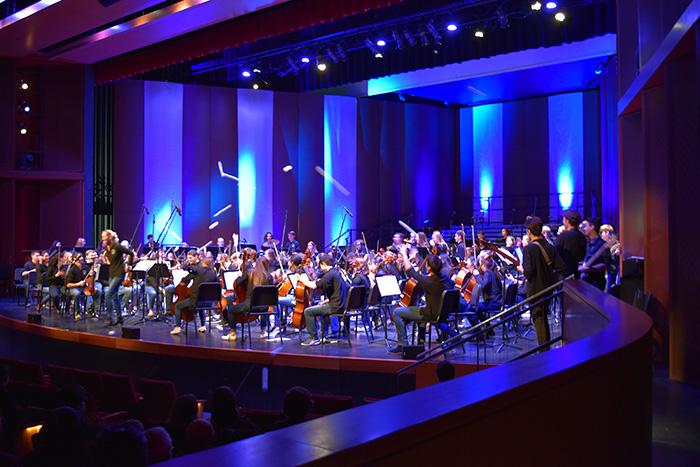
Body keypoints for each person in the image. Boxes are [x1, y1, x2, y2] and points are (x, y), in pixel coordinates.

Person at [388, 246, 452, 354]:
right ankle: (420, 343)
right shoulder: (443, 279)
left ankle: (402, 344)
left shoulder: (429, 282)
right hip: (442, 313)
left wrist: (404, 253)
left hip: (431, 314)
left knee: (397, 312)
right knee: (419, 310)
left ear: (429, 268)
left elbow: (410, 271)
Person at [519, 216, 565, 347]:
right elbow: (561, 267)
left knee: (539, 321)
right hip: (548, 289)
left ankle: (544, 352)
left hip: (535, 291)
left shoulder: (528, 249)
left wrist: (521, 268)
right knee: (543, 320)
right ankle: (546, 349)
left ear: (529, 231)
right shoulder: (550, 246)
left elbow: (528, 273)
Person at [298, 254, 348, 346]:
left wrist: (302, 280)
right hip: (340, 304)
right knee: (320, 307)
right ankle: (323, 335)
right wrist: (328, 300)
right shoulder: (336, 273)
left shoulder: (329, 275)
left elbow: (313, 285)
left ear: (324, 264)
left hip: (335, 307)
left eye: (320, 265)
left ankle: (314, 338)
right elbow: (339, 291)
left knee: (308, 311)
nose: (320, 268)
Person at [171, 255, 218, 335]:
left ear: (203, 264)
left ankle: (177, 327)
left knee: (177, 306)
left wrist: (183, 281)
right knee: (201, 302)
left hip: (195, 301)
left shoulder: (198, 271)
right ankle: (203, 325)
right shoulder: (214, 273)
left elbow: (185, 279)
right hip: (209, 302)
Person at [101, 230, 135, 326]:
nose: (102, 239)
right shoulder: (107, 248)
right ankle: (120, 318)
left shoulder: (117, 246)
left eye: (104, 237)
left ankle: (110, 317)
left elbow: (131, 253)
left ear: (109, 237)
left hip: (119, 273)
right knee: (114, 296)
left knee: (108, 294)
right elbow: (111, 261)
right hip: (111, 273)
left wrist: (129, 264)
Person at [579, 217, 611, 291]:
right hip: (585, 282)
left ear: (592, 227)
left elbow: (605, 264)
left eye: (585, 226)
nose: (583, 229)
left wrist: (589, 268)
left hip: (596, 284)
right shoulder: (587, 243)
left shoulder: (602, 244)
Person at [555, 209, 587, 279]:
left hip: (564, 274)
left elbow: (556, 254)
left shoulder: (563, 236)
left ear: (567, 220)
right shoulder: (582, 237)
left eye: (563, 219)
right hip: (578, 273)